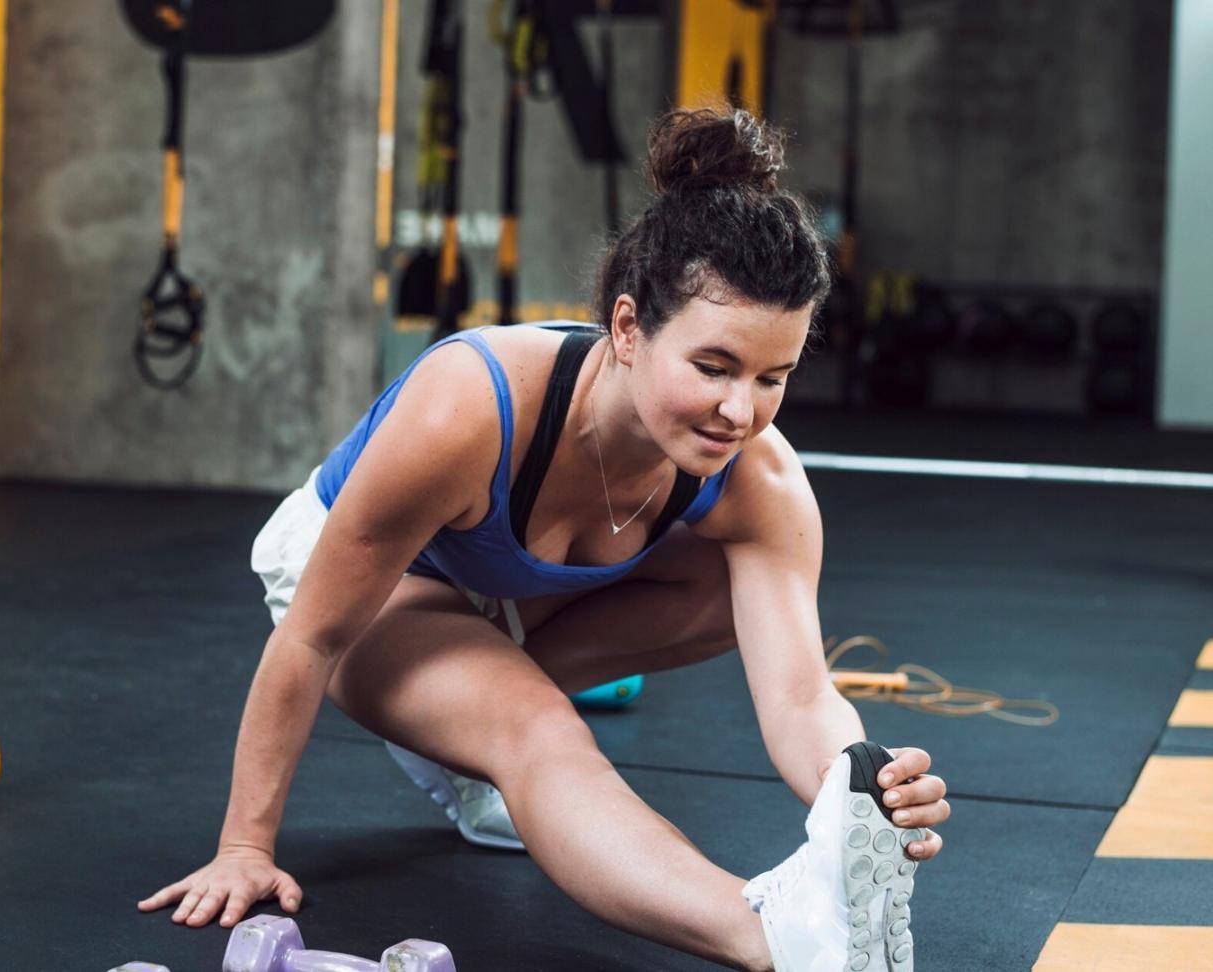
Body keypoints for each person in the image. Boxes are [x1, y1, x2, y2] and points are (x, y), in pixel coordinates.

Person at [139, 107, 951, 972]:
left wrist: (859, 788)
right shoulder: (466, 407)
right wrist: (245, 845)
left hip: (508, 601)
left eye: (772, 378)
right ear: (629, 327)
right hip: (362, 588)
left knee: (723, 592)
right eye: (712, 368)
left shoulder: (761, 478)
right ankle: (766, 934)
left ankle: (474, 729)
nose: (739, 410)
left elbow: (797, 696)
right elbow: (310, 635)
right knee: (538, 737)